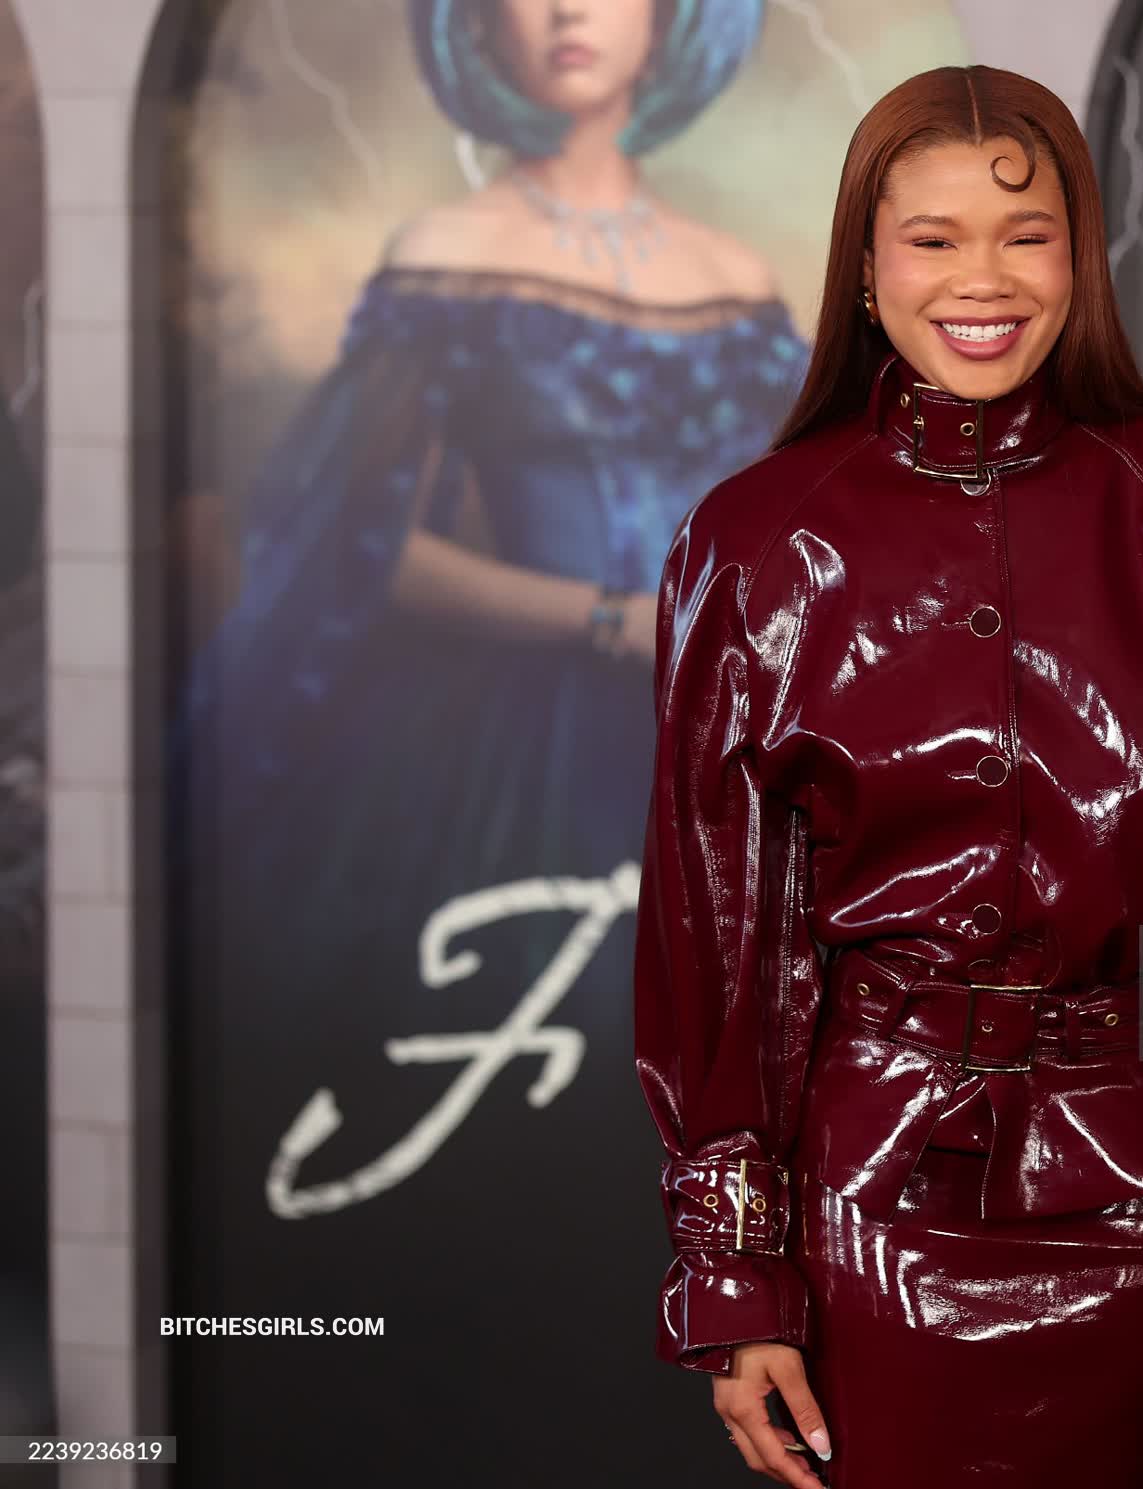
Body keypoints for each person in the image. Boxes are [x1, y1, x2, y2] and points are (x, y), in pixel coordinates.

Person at [632, 63, 1143, 1489]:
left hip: (1134, 1175)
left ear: (1081, 256)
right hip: (864, 1186)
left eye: (1027, 236)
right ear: (863, 268)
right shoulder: (752, 541)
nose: (985, 280)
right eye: (933, 238)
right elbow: (725, 937)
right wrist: (734, 1273)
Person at [164, 0, 803, 1213]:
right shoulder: (447, 252)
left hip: (718, 729)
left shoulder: (737, 277)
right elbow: (373, 552)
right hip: (519, 743)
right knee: (539, 1083)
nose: (566, 9)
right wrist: (608, 618)